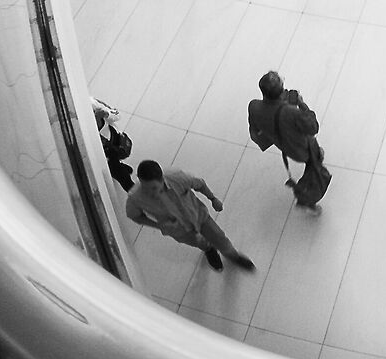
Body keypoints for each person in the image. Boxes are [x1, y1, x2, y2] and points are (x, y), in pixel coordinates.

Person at [125, 160, 254, 272]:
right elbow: (135, 216)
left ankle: (233, 256)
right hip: (180, 231)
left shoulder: (177, 178)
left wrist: (212, 198)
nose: (150, 193)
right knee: (199, 243)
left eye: (153, 188)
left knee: (220, 238)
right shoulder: (135, 197)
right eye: (145, 187)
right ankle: (209, 250)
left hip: (200, 218)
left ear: (162, 179)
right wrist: (159, 225)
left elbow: (200, 184)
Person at [247, 71, 330, 209]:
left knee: (313, 156)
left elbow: (259, 124)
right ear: (280, 92)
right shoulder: (291, 112)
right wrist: (301, 104)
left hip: (283, 145)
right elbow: (313, 127)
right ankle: (309, 199)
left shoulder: (253, 106)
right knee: (315, 164)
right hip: (303, 149)